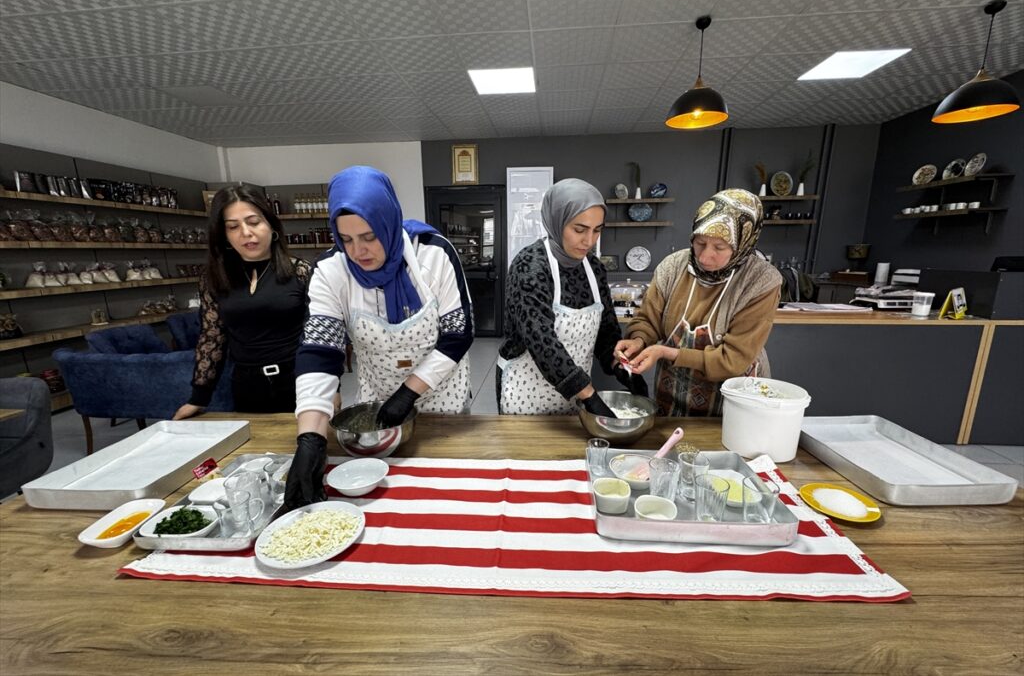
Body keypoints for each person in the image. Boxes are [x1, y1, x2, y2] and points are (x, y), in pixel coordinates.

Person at [285, 166, 474, 509]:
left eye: (369, 236)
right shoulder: (331, 271)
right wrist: (310, 438)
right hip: (376, 405)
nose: (358, 251)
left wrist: (408, 393)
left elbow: (458, 335)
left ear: (388, 221)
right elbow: (319, 351)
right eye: (346, 239)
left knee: (445, 497)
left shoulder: (433, 254)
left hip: (441, 398)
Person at [615, 189, 782, 417]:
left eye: (719, 248)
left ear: (743, 242)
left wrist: (668, 353)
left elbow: (733, 360)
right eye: (700, 243)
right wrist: (638, 340)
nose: (704, 257)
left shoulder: (761, 281)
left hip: (733, 402)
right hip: (672, 395)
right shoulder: (674, 266)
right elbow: (648, 320)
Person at [497, 178, 646, 416]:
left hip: (577, 395)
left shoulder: (594, 268)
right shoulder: (529, 266)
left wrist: (617, 363)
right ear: (557, 221)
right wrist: (590, 397)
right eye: (579, 229)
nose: (589, 241)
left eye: (597, 230)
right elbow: (541, 341)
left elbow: (607, 330)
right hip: (526, 392)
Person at [174, 185, 311, 419]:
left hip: (301, 381)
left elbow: (319, 333)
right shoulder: (214, 278)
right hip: (246, 383)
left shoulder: (300, 271)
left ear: (270, 224)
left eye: (254, 222)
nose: (246, 232)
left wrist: (331, 386)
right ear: (223, 234)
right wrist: (199, 397)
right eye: (233, 227)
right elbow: (212, 336)